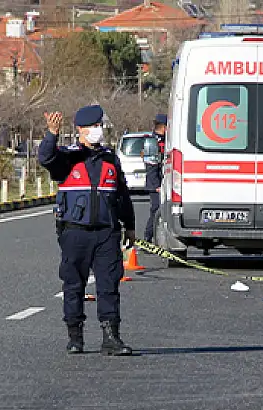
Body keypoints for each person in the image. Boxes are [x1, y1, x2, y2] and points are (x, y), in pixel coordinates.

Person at [39, 105, 136, 355]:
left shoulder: (110, 159)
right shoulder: (69, 158)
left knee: (109, 285)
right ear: (80, 130)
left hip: (107, 233)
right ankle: (75, 336)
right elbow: (46, 158)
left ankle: (111, 337)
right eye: (93, 127)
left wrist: (131, 226)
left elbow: (122, 195)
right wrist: (52, 133)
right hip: (75, 232)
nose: (98, 131)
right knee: (73, 285)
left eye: (100, 126)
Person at [143, 113, 168, 241]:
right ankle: (148, 238)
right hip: (156, 184)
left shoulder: (165, 141)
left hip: (163, 182)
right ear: (163, 127)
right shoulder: (153, 142)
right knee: (156, 210)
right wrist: (156, 185)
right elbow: (151, 167)